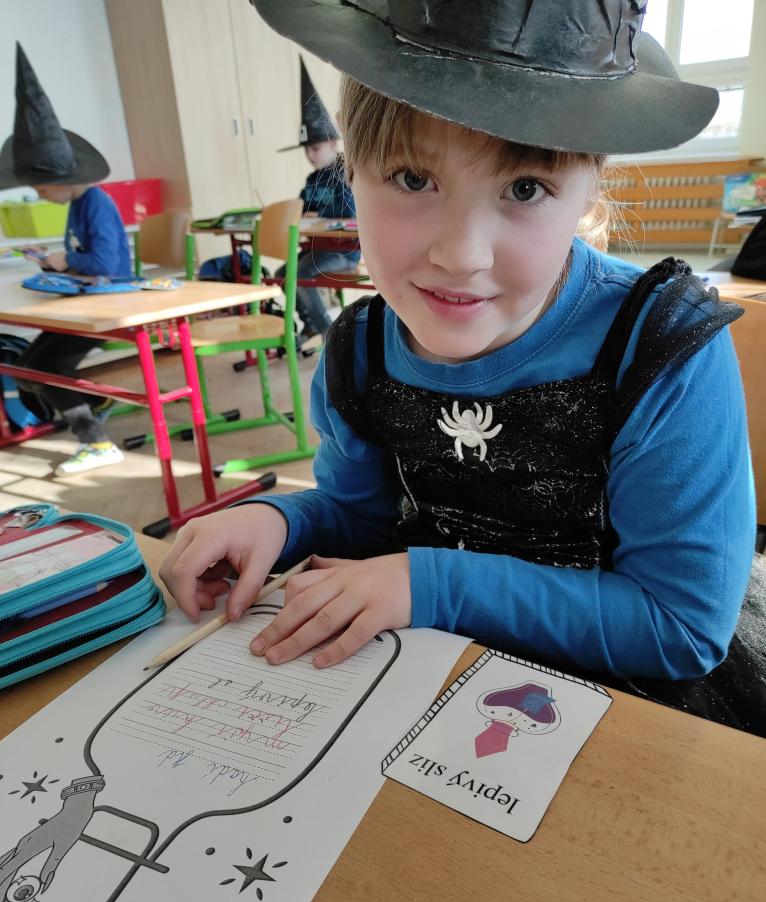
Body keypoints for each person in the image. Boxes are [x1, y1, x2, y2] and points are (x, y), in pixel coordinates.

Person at [161, 0, 763, 735]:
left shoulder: (659, 348)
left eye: (524, 188)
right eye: (413, 178)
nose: (461, 255)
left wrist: (430, 584)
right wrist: (279, 521)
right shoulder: (360, 350)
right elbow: (360, 516)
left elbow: (680, 625)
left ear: (589, 188)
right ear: (352, 170)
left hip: (629, 708)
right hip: (422, 681)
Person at [0, 45, 130, 474]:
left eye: (41, 188)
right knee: (27, 367)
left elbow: (104, 264)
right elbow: (83, 258)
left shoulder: (96, 203)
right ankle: (90, 403)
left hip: (112, 304)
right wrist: (54, 261)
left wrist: (64, 259)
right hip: (86, 300)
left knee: (46, 365)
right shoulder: (76, 205)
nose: (39, 195)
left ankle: (96, 442)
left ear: (62, 178)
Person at [276, 57, 362, 348]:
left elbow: (350, 215)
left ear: (333, 143)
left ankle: (328, 332)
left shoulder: (344, 174)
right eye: (306, 150)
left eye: (315, 148)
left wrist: (319, 218)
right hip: (316, 247)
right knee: (281, 274)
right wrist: (302, 215)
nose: (310, 155)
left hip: (343, 250)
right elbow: (301, 209)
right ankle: (312, 323)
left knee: (299, 273)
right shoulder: (312, 180)